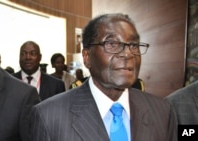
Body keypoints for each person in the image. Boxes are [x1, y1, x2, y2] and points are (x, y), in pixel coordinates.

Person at [30, 13, 177, 141]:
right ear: (87, 57)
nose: (127, 53)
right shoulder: (48, 116)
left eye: (133, 44)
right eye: (111, 43)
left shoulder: (163, 111)